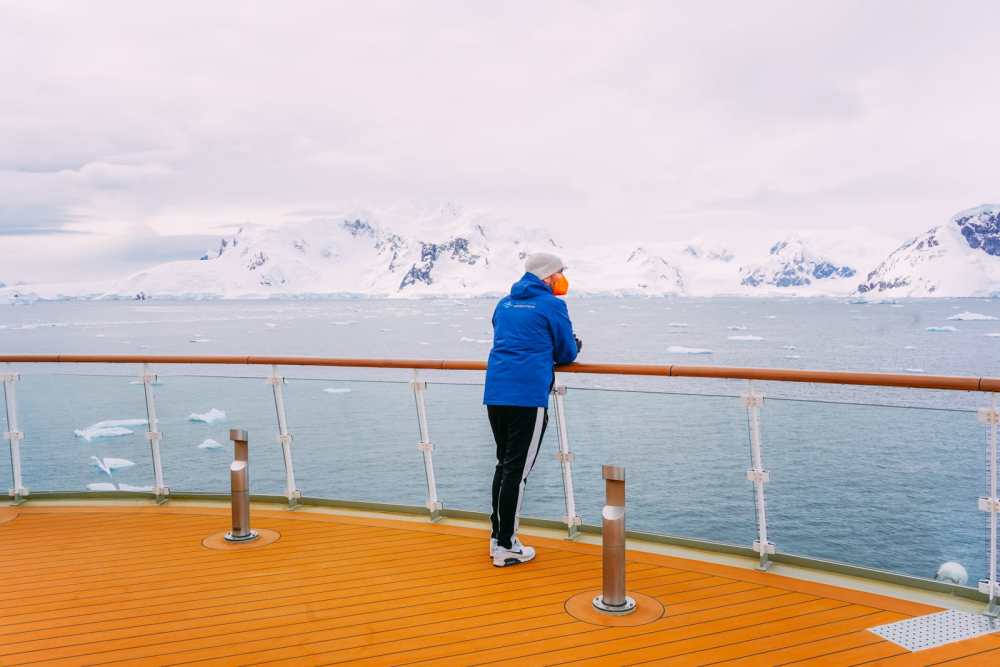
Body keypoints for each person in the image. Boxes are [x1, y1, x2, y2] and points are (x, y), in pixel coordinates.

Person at [484, 252, 581, 567]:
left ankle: (497, 537)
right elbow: (565, 352)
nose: (563, 279)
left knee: (505, 466)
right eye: (561, 273)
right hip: (527, 396)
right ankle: (506, 545)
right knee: (517, 472)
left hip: (497, 392)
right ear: (549, 276)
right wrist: (576, 346)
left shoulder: (504, 304)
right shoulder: (553, 305)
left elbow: (510, 339)